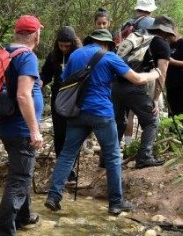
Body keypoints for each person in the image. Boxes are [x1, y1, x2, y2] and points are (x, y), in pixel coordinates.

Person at [44, 29, 161, 214]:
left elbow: (65, 80)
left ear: (90, 41)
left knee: (67, 154)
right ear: (107, 44)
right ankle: (116, 202)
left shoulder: (75, 55)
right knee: (112, 156)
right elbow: (137, 79)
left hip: (76, 112)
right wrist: (155, 74)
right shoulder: (109, 57)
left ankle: (53, 196)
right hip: (101, 113)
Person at [0, 15, 45, 236]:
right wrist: (35, 130)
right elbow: (23, 95)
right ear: (35, 34)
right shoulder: (27, 57)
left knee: (22, 172)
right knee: (19, 180)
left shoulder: (7, 53)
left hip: (7, 126)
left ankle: (23, 216)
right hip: (21, 129)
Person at [112, 16, 173, 168]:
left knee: (119, 121)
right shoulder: (161, 44)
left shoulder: (139, 36)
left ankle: (108, 159)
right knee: (151, 121)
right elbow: (162, 74)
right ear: (166, 31)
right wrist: (156, 99)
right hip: (134, 84)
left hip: (116, 83)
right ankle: (145, 156)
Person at [40, 26, 82, 180]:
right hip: (58, 100)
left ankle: (70, 167)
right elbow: (46, 75)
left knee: (74, 133)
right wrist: (38, 82)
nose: (64, 48)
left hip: (75, 99)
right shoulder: (53, 56)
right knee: (59, 133)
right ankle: (61, 165)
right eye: (61, 45)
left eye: (67, 45)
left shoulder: (79, 55)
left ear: (73, 43)